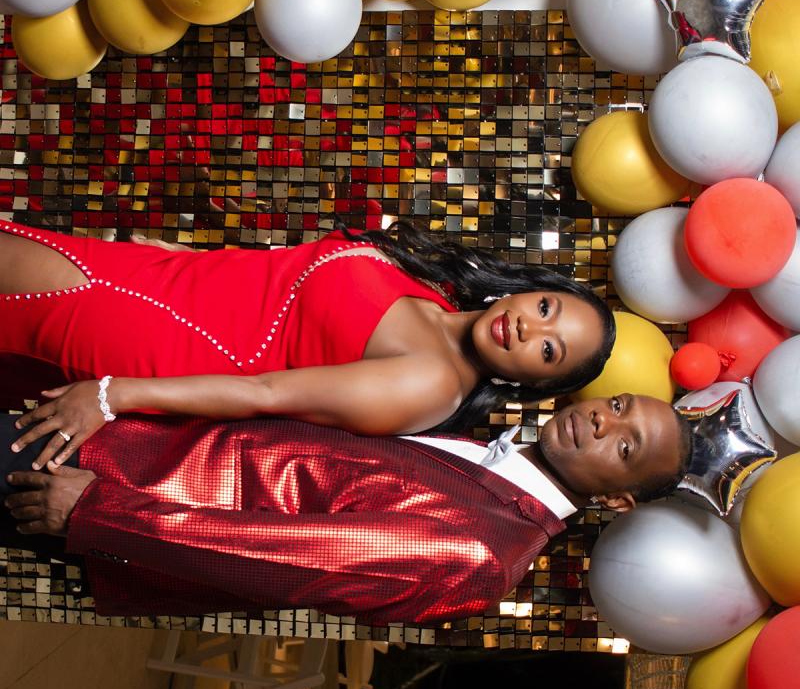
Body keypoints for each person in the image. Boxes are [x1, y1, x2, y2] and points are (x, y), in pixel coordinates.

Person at [1, 393, 692, 623]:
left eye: (625, 446)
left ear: (615, 499)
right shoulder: (489, 457)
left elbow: (281, 561)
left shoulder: (482, 555)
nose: (602, 422)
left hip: (114, 488)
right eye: (618, 406)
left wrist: (99, 514)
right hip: (135, 439)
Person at [0, 219, 614, 463]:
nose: (529, 328)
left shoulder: (431, 383)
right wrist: (197, 258)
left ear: (531, 382)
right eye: (546, 308)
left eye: (548, 349)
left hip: (158, 334)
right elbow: (286, 281)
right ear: (532, 289)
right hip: (171, 280)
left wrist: (114, 396)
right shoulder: (439, 295)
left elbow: (266, 395)